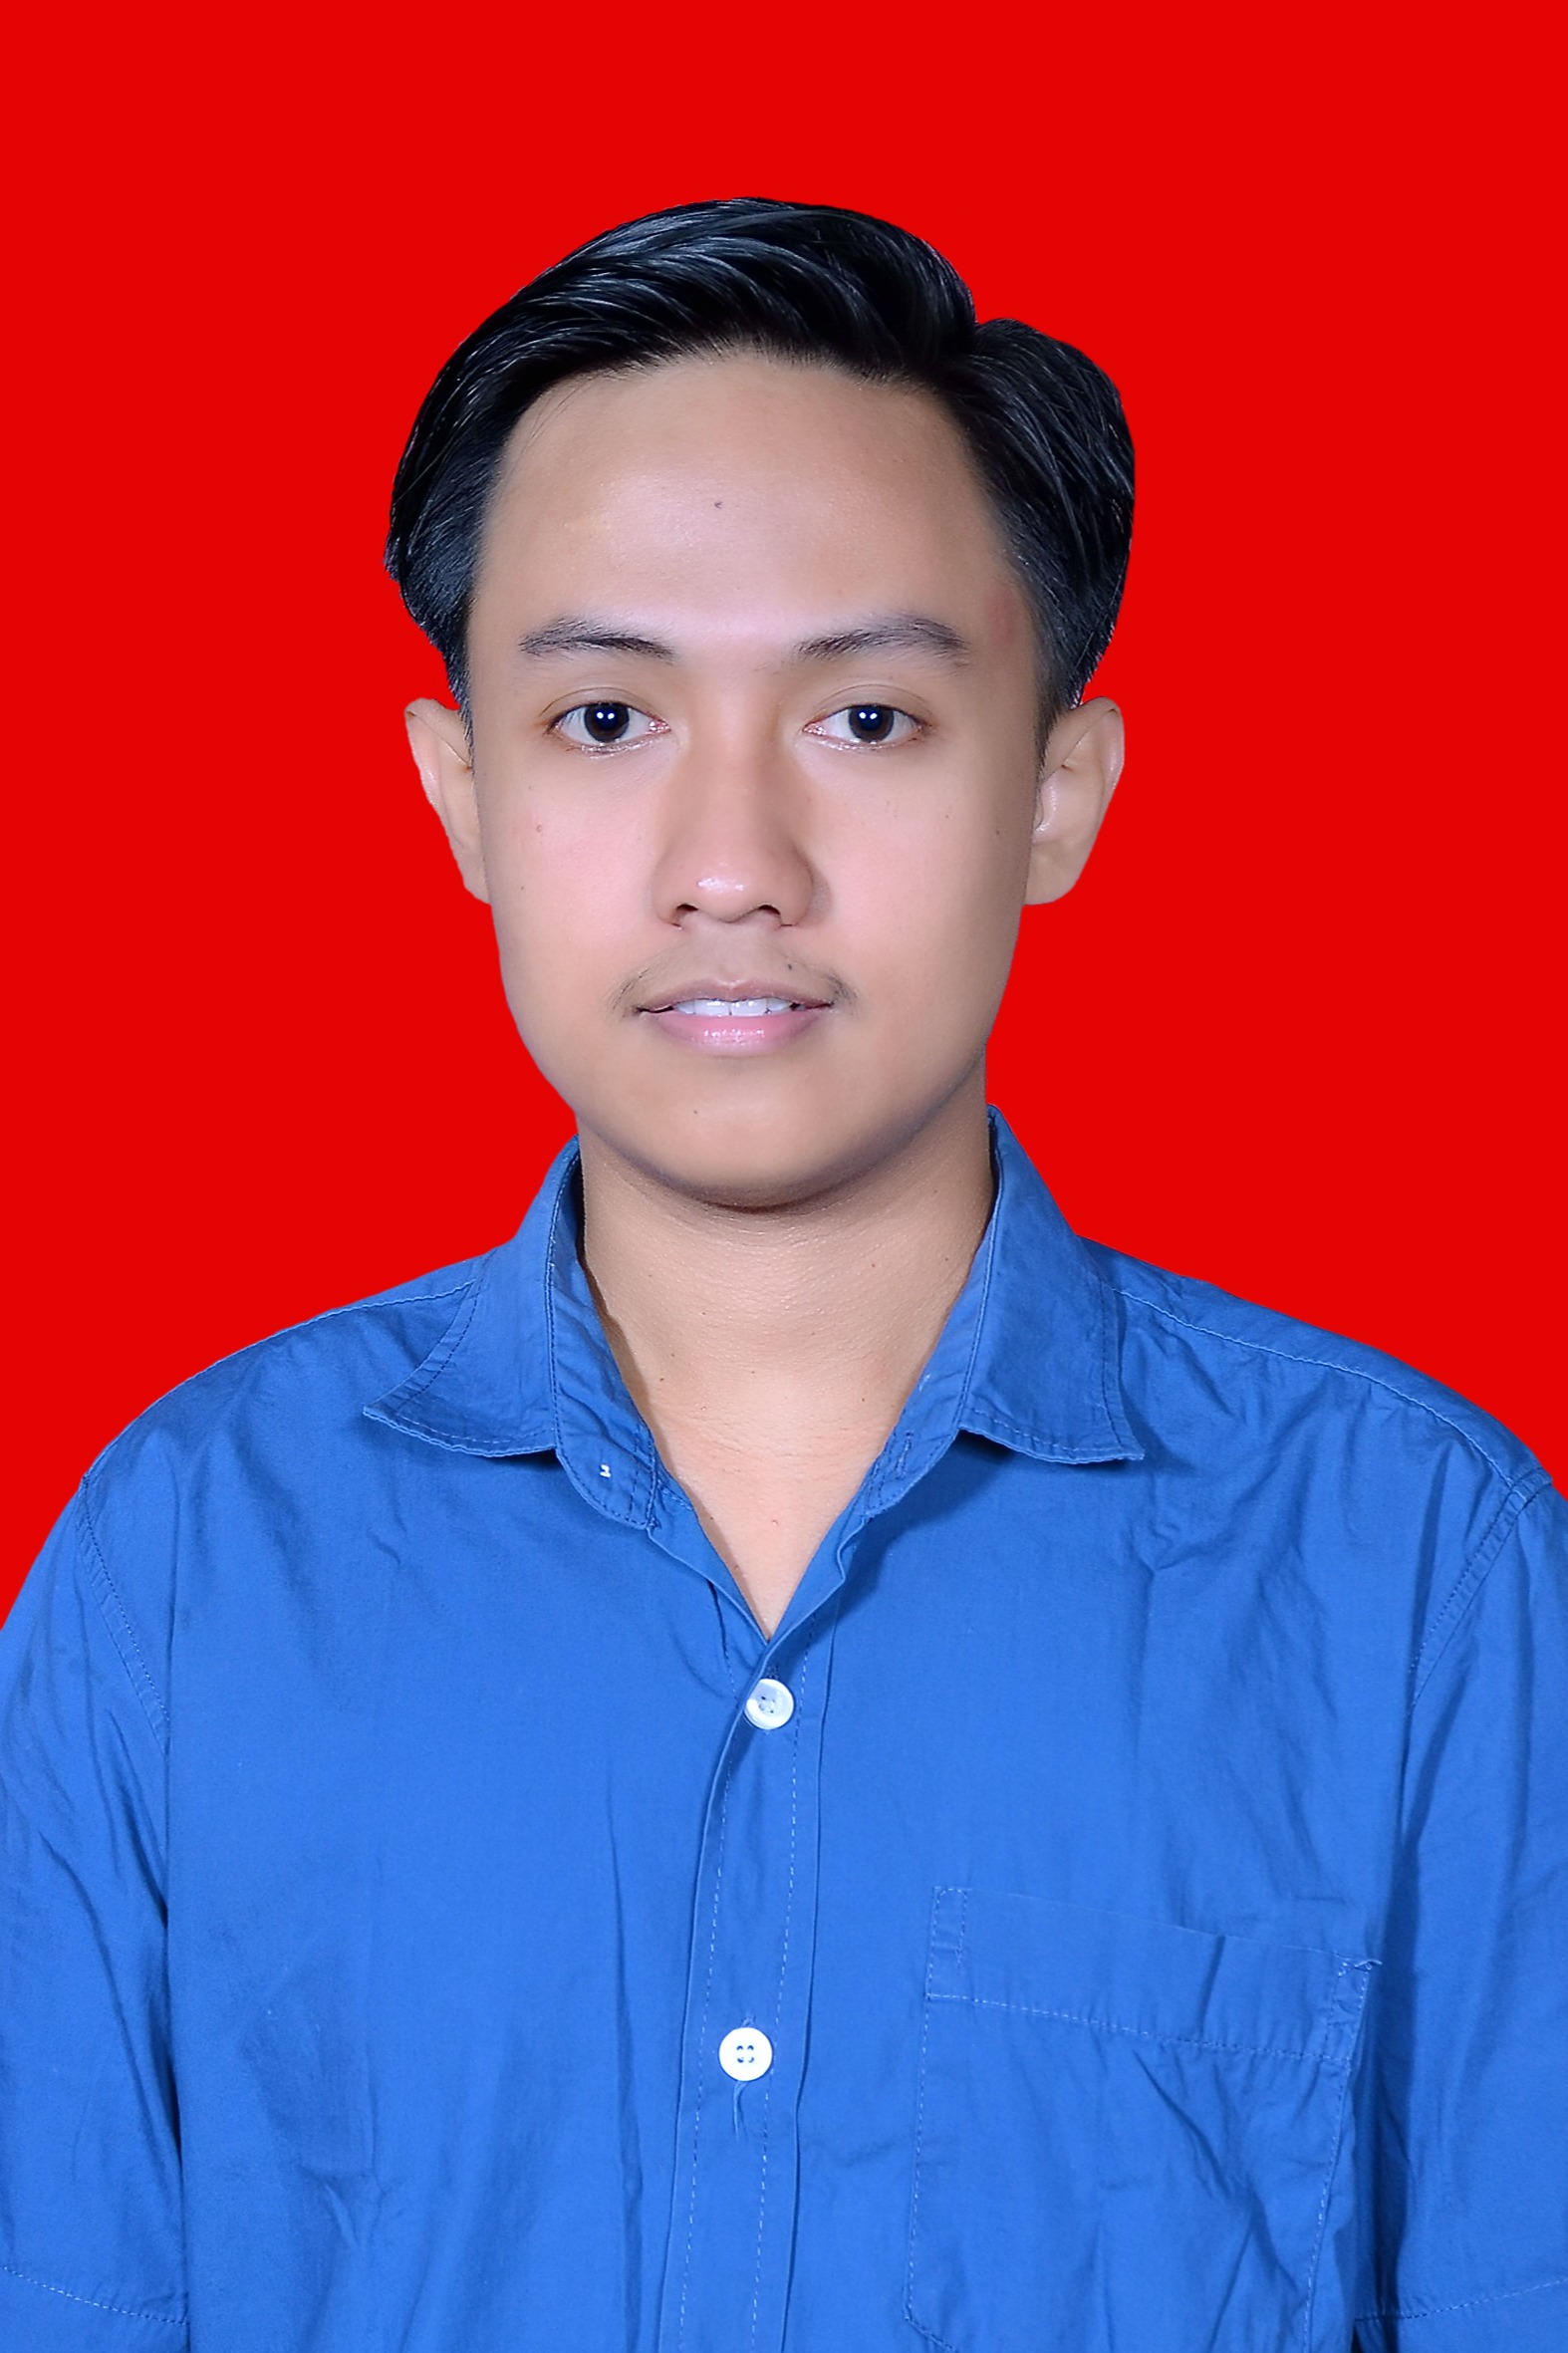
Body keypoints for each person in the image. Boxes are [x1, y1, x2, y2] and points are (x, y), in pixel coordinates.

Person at [0, 197, 1562, 2353]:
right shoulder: (183, 1566)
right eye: (604, 718)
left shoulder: (1413, 1566)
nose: (731, 867)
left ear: (1059, 791)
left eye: (868, 719)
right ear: (459, 793)